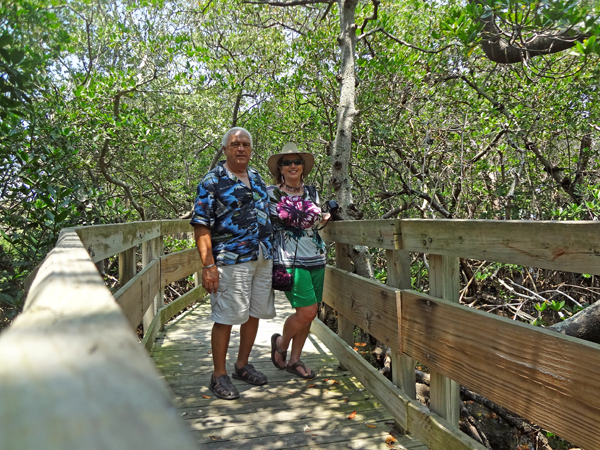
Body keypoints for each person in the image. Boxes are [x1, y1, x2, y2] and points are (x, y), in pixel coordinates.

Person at [191, 127, 275, 400]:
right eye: (235, 144)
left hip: (261, 256)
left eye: (246, 145)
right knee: (226, 317)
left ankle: (242, 365)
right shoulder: (212, 181)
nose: (241, 149)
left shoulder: (258, 178)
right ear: (226, 149)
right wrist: (208, 266)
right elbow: (201, 226)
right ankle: (218, 375)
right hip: (230, 259)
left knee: (254, 313)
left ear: (251, 150)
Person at [267, 143, 330, 379]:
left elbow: (314, 222)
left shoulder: (312, 191)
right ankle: (281, 344)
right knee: (307, 311)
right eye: (287, 162)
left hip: (316, 255)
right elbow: (284, 218)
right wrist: (314, 215)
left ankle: (295, 360)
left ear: (303, 167)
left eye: (297, 162)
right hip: (290, 259)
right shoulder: (271, 193)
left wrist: (324, 218)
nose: (292, 166)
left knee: (310, 313)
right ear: (280, 169)